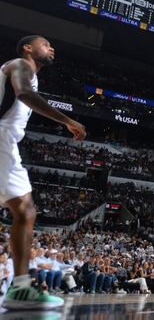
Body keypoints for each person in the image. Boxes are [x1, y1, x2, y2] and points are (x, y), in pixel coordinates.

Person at [1, 35, 86, 310]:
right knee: (24, 211)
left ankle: (21, 288)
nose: (52, 48)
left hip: (7, 144)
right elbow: (24, 94)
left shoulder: (30, 75)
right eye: (45, 43)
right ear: (28, 47)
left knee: (26, 213)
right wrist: (67, 120)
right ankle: (20, 289)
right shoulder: (20, 65)